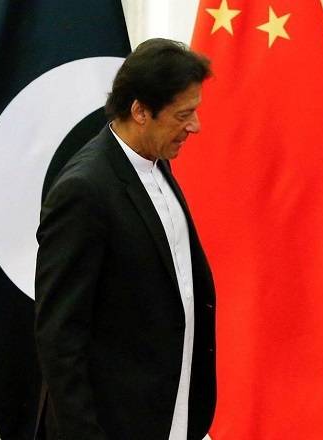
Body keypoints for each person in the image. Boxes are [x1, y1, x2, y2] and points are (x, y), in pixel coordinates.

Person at [34, 38, 215, 440]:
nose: (195, 126)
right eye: (183, 114)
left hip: (172, 413)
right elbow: (60, 335)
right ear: (140, 111)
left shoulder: (157, 163)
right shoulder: (83, 190)